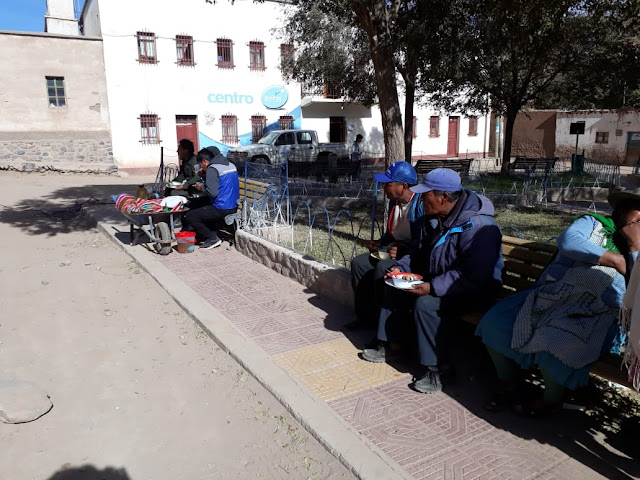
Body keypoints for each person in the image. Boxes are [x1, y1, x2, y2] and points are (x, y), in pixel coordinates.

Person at [476, 188, 640, 416]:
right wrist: (615, 260)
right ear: (623, 209)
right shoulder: (594, 223)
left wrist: (633, 246)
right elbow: (569, 241)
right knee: (496, 322)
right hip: (552, 294)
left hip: (599, 311)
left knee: (557, 341)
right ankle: (508, 382)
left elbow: (637, 285)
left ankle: (551, 398)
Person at [362, 168, 504, 394]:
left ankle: (439, 369)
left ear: (443, 197)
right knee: (393, 283)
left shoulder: (480, 227)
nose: (421, 198)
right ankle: (394, 344)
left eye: (425, 194)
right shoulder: (435, 219)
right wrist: (401, 268)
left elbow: (474, 275)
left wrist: (432, 287)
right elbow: (418, 253)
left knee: (427, 304)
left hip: (473, 292)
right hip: (444, 281)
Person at [349, 161, 424, 329]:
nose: (384, 188)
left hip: (411, 256)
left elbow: (423, 240)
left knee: (383, 268)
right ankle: (365, 317)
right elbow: (393, 232)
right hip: (393, 250)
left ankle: (385, 331)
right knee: (359, 264)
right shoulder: (394, 202)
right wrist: (380, 243)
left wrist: (404, 248)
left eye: (387, 184)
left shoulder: (420, 204)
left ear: (403, 186)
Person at [181, 147, 240, 250]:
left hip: (221, 207)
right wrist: (204, 176)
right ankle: (204, 234)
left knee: (191, 216)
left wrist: (201, 187)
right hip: (234, 205)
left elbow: (212, 192)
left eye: (201, 165)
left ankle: (212, 238)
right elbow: (221, 184)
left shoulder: (212, 169)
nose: (201, 167)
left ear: (204, 161)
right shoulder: (230, 165)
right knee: (199, 204)